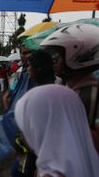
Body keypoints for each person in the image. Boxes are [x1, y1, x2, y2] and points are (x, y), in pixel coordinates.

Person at [14, 85, 99, 177]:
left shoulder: (49, 173)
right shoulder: (92, 141)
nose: (22, 135)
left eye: (24, 128)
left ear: (40, 129)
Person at [40, 23, 99, 152]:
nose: (55, 61)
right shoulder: (68, 87)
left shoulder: (89, 94)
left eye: (59, 56)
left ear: (78, 56)